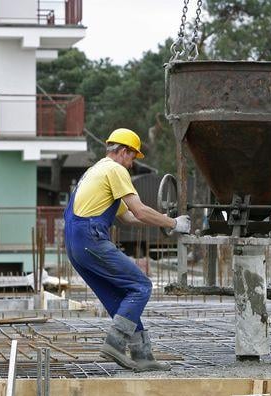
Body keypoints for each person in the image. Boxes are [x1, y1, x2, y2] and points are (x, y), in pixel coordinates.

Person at [64, 128, 190, 372]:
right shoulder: (115, 169)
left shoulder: (97, 170)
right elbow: (140, 210)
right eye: (132, 158)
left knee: (120, 297)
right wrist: (176, 224)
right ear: (123, 152)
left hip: (75, 244)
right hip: (91, 238)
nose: (132, 165)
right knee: (141, 286)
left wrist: (164, 219)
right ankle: (114, 343)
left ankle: (143, 355)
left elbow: (130, 217)